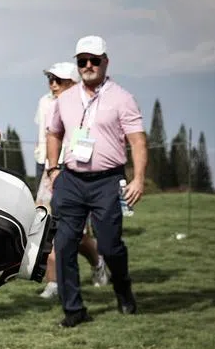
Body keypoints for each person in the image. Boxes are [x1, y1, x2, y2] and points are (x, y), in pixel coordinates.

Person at [46, 35, 147, 328]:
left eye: (94, 60)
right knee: (64, 243)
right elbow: (53, 133)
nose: (88, 66)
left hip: (108, 181)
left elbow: (137, 141)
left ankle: (123, 287)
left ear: (106, 62)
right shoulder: (64, 99)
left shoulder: (122, 98)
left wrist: (138, 179)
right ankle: (74, 310)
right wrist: (53, 170)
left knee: (110, 244)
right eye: (82, 61)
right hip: (71, 179)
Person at [35, 63, 107, 299]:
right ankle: (54, 282)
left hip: (76, 174)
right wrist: (49, 168)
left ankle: (97, 262)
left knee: (76, 235)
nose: (53, 84)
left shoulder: (87, 107)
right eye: (50, 79)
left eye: (60, 80)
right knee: (45, 228)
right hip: (50, 170)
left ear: (74, 83)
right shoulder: (45, 102)